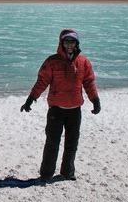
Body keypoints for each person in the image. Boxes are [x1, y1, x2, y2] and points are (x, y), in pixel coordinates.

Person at [20, 28, 100, 181]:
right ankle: (46, 174)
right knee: (52, 143)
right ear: (61, 43)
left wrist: (95, 100)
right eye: (66, 42)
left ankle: (67, 173)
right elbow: (42, 82)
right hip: (56, 109)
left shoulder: (83, 62)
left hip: (75, 110)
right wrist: (31, 99)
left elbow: (89, 82)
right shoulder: (52, 61)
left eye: (72, 42)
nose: (69, 45)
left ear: (77, 44)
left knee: (72, 143)